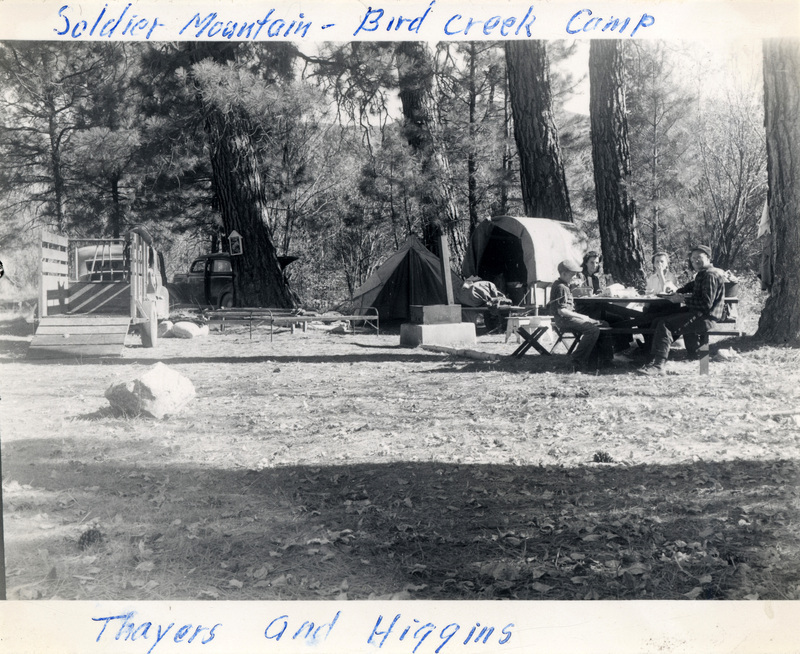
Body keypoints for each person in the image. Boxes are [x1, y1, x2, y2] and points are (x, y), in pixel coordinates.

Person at [637, 245, 727, 376]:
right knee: (657, 319)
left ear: (708, 258)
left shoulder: (710, 275)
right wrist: (678, 292)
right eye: (693, 258)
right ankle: (652, 358)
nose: (695, 261)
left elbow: (706, 304)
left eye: (699, 257)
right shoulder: (703, 274)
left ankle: (658, 366)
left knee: (665, 324)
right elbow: (692, 286)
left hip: (706, 318)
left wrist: (682, 300)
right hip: (699, 313)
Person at [548, 259, 613, 372]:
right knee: (592, 330)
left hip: (568, 318)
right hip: (564, 320)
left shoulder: (563, 285)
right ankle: (577, 361)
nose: (575, 277)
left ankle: (605, 359)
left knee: (604, 324)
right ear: (563, 274)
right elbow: (562, 311)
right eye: (573, 275)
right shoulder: (561, 287)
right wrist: (583, 317)